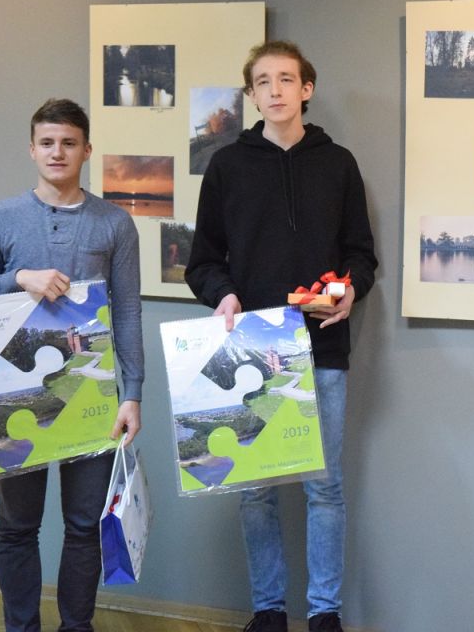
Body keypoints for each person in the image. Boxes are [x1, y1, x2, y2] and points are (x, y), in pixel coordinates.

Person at [186, 40, 378, 632]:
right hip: (251, 348)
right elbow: (202, 262)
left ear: (306, 89)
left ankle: (324, 614)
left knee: (326, 489)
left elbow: (361, 255)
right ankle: (268, 611)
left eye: (286, 79)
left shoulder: (338, 163)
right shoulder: (227, 167)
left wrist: (349, 292)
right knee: (256, 490)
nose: (275, 90)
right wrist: (224, 294)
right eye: (263, 81)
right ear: (251, 95)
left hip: (322, 347)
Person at [0, 98, 144, 632]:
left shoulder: (115, 224)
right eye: (47, 142)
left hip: (94, 397)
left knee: (84, 525)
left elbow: (127, 312)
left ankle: (75, 627)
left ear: (87, 150)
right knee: (18, 526)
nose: (57, 152)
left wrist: (132, 393)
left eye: (68, 143)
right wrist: (17, 279)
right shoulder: (0, 218)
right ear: (32, 149)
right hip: (13, 395)